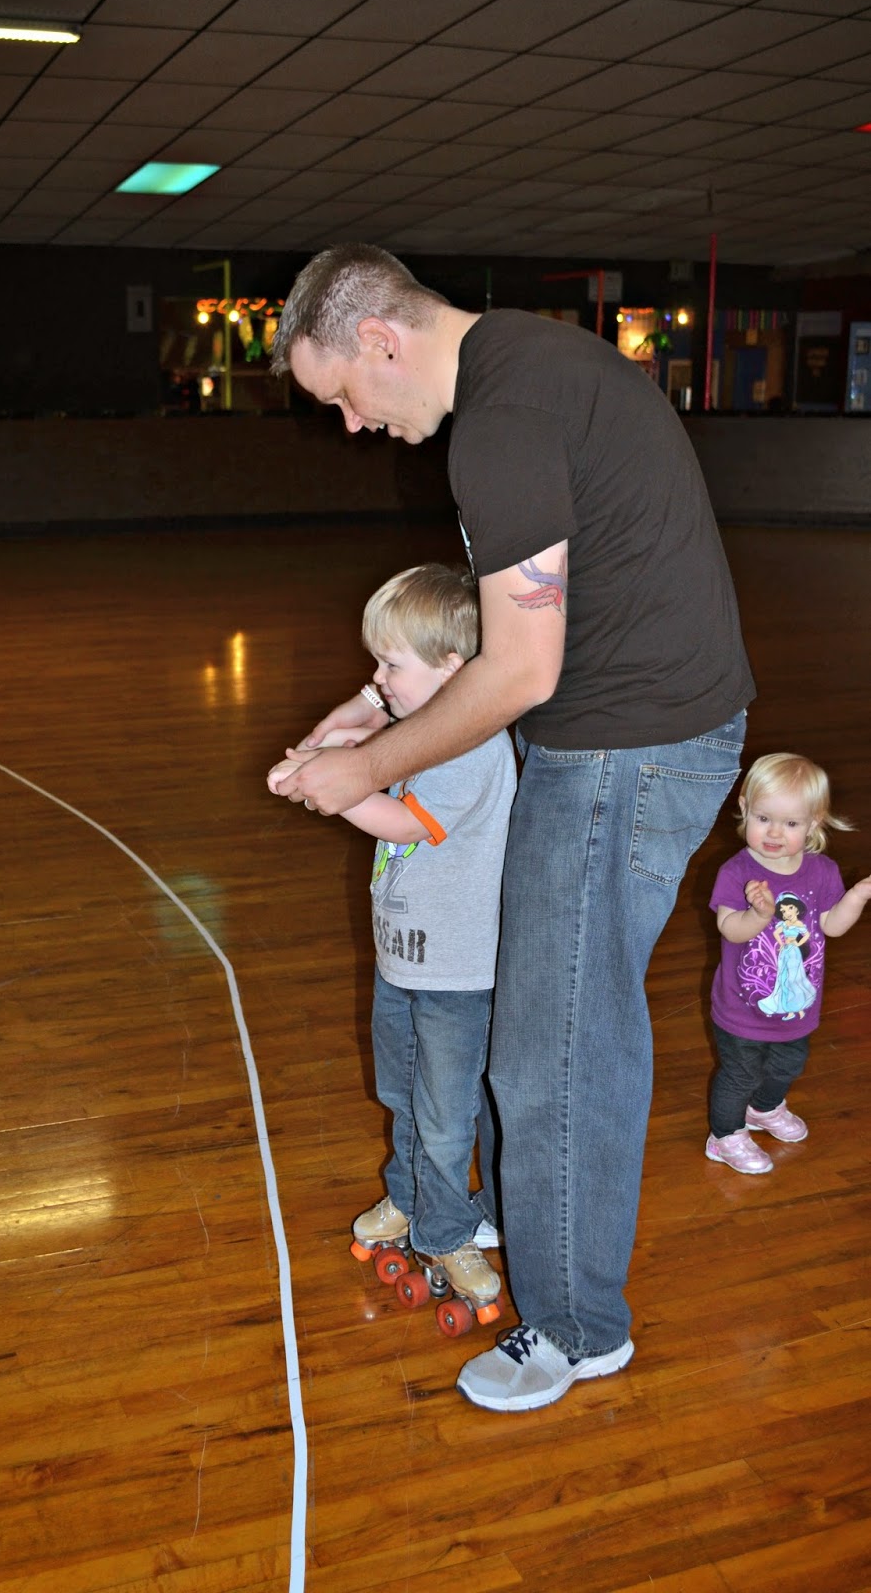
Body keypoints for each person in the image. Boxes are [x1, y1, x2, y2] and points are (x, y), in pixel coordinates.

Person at [269, 244, 756, 1412]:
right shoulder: (531, 368)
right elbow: (478, 641)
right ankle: (526, 1226)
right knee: (542, 1026)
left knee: (556, 1047)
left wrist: (366, 770)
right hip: (632, 732)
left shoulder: (500, 419)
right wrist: (367, 714)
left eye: (341, 393)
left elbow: (521, 669)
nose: (349, 423)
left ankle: (576, 1326)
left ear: (381, 341)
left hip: (624, 752)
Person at [267, 564, 516, 1322]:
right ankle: (409, 1199)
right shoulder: (423, 727)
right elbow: (376, 736)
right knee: (403, 1094)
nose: (378, 679)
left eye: (390, 665)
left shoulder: (471, 750)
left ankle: (448, 1231)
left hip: (454, 975)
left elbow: (401, 821)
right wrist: (337, 745)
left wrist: (331, 784)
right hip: (403, 960)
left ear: (450, 671)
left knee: (444, 1113)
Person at [705, 752, 870, 1174]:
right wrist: (758, 915)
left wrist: (857, 896)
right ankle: (724, 1135)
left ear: (814, 824)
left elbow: (831, 926)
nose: (775, 832)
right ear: (744, 808)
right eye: (764, 818)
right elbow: (730, 930)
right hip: (742, 1006)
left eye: (791, 824)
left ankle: (763, 1108)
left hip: (798, 1004)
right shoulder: (736, 871)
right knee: (740, 1072)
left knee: (788, 1063)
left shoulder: (822, 871)